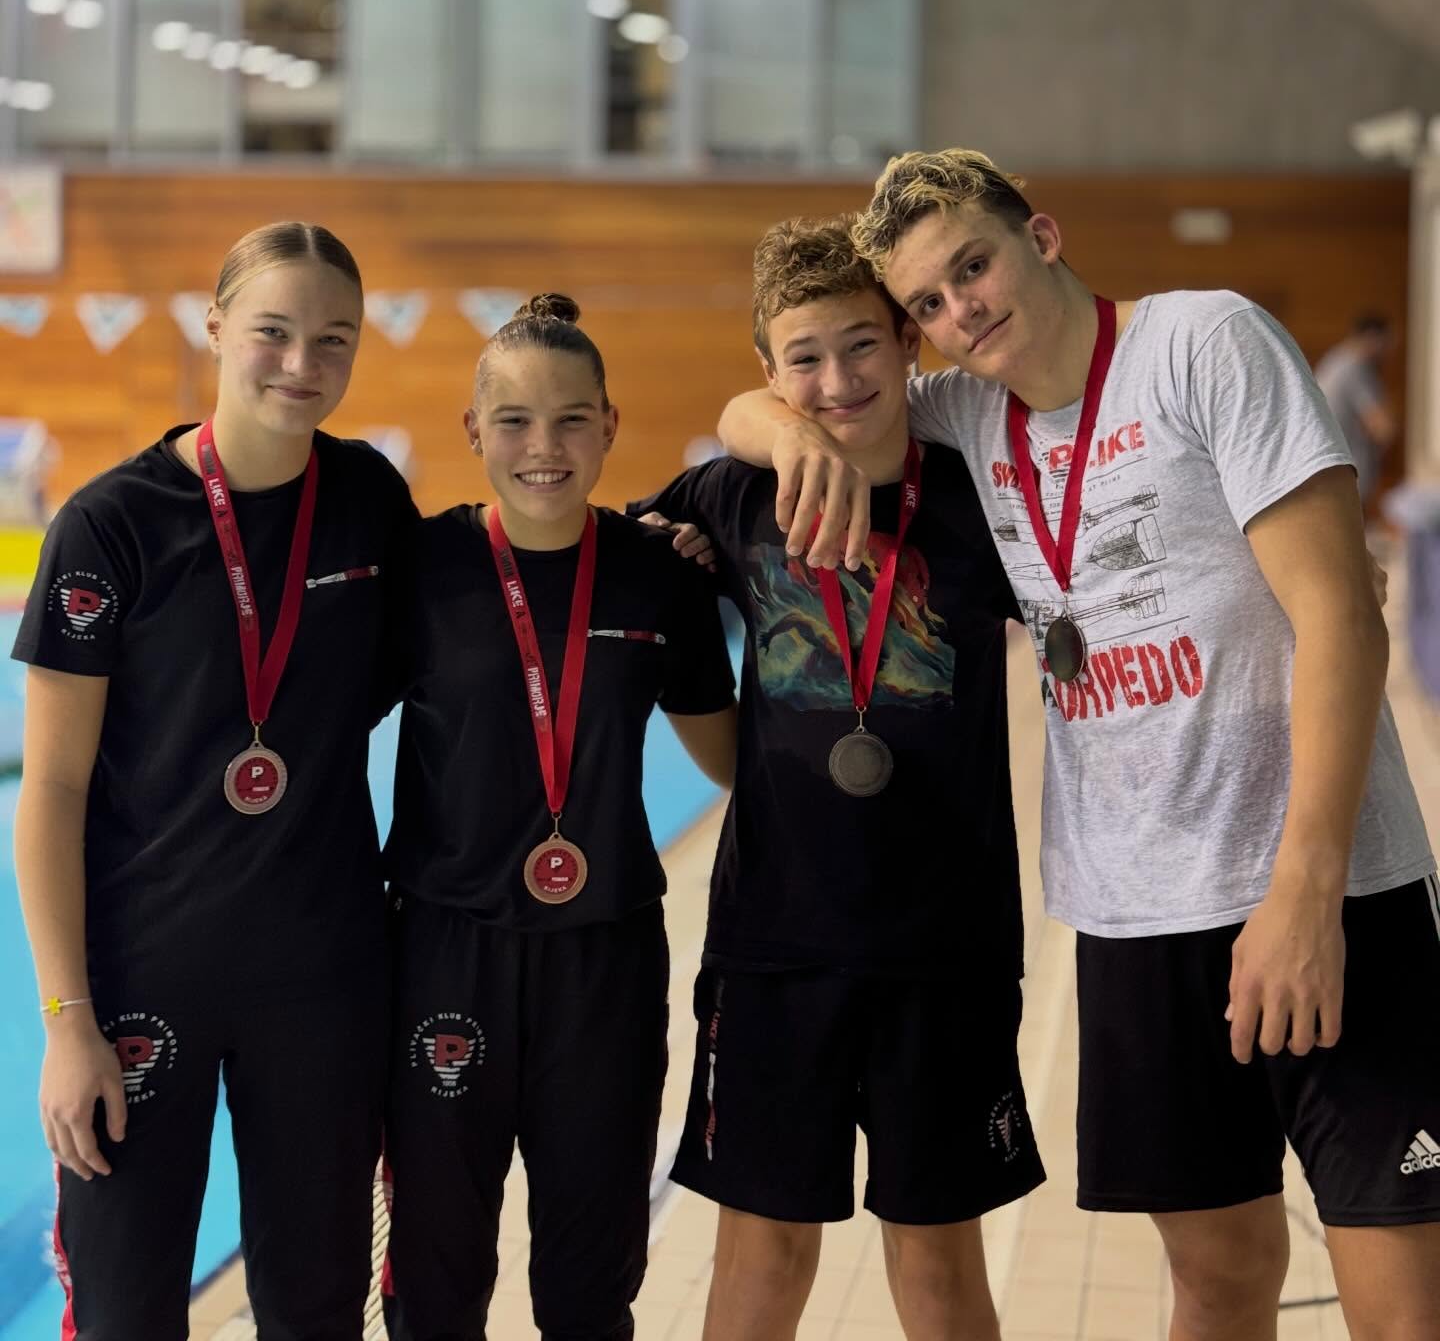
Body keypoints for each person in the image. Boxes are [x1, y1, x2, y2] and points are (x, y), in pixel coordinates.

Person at [719, 152, 1440, 1341]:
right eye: (930, 302)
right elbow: (772, 402)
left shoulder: (1204, 343)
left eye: (974, 266)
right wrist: (788, 440)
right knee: (1216, 1278)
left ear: (1040, 236)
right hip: (1136, 915)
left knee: (1404, 1300)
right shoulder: (964, 413)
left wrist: (1305, 895)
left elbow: (1342, 621)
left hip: (1327, 889)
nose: (963, 310)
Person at [631, 219, 1043, 1341]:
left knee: (940, 1267)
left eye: (861, 345)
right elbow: (618, 583)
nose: (837, 379)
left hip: (946, 947)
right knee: (761, 1260)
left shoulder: (978, 500)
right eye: (803, 359)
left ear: (908, 342)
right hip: (776, 944)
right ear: (769, 372)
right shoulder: (729, 499)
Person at [13, 221, 418, 1341]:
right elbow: (50, 791)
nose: (301, 363)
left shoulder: (368, 501)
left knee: (316, 1309)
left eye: (333, 340)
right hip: (144, 976)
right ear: (216, 328)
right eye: (273, 332)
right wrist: (66, 1023)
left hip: (323, 978)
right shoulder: (111, 526)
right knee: (125, 1314)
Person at [381, 294, 737, 1341]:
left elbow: (733, 759)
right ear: (473, 430)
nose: (545, 447)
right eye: (516, 421)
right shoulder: (423, 569)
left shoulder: (659, 575)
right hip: (448, 950)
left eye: (573, 419)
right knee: (435, 1272)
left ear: (610, 425)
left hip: (603, 959)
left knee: (590, 1279)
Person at [1316, 314, 1397, 513]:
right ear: (1373, 338)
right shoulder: (1356, 368)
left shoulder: (1334, 360)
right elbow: (1383, 428)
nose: (1390, 352)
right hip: (1349, 477)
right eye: (1387, 343)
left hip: (1328, 475)